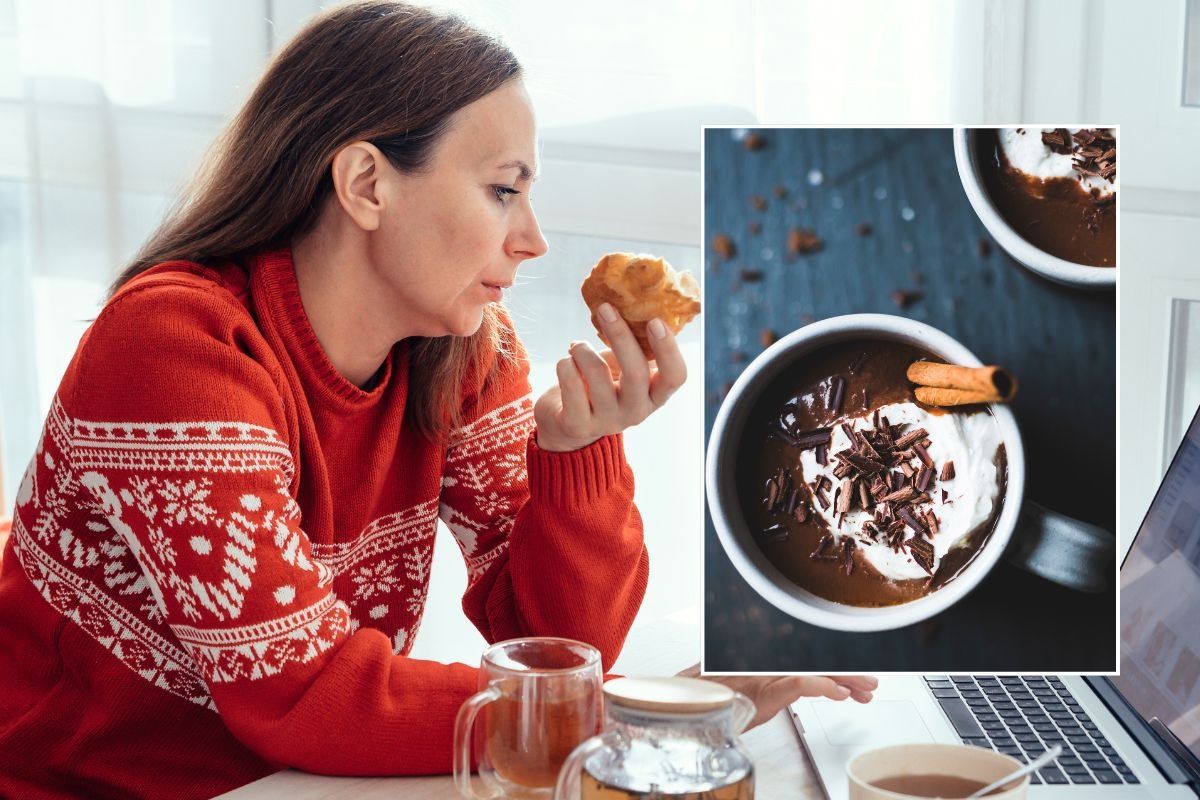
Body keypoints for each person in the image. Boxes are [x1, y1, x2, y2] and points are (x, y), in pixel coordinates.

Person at [0, 2, 873, 798]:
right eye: (503, 189)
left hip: (311, 784)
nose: (533, 239)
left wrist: (578, 453)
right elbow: (305, 695)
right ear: (366, 184)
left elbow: (562, 652)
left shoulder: (465, 350)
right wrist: (662, 710)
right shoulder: (176, 348)